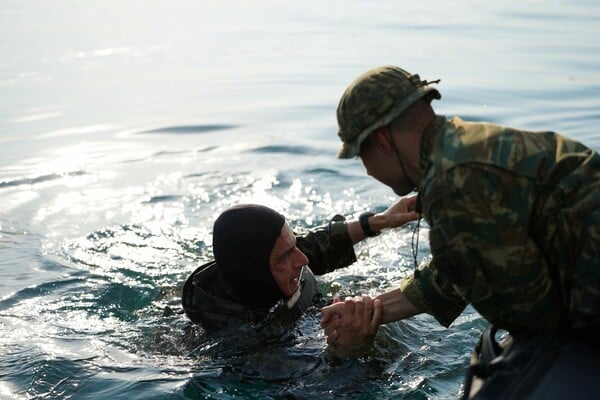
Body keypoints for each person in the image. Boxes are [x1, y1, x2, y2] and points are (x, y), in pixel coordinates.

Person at [320, 66, 600, 398]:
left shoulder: (452, 183)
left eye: (360, 155)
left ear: (381, 140)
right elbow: (468, 265)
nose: (366, 169)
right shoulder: (461, 145)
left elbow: (533, 316)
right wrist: (371, 309)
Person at [181, 200, 418, 334]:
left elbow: (317, 244)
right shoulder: (246, 342)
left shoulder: (264, 265)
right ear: (256, 272)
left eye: (293, 244)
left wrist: (380, 221)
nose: (303, 259)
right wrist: (349, 351)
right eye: (285, 255)